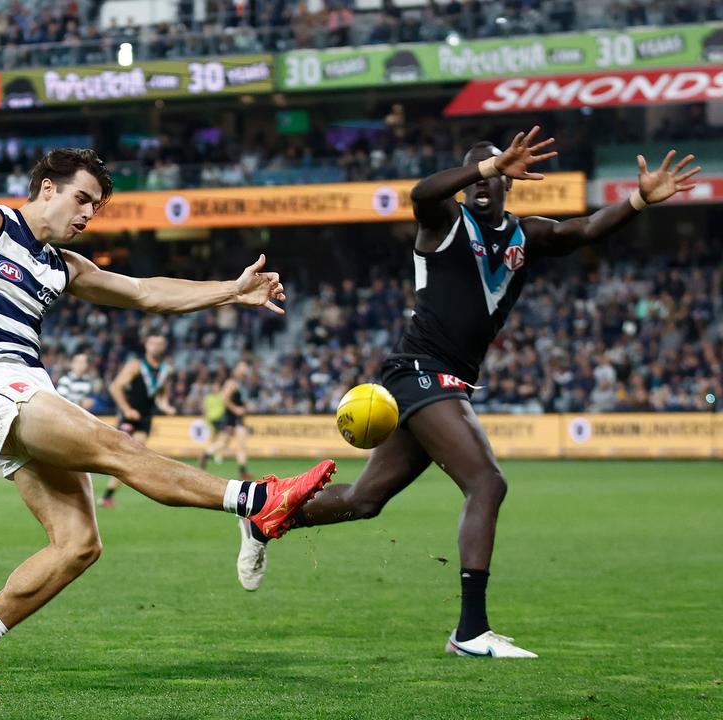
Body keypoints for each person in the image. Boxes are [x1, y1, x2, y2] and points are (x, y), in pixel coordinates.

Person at [0, 148, 336, 700]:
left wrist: (232, 290)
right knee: (114, 445)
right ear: (47, 189)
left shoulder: (62, 265)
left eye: (95, 207)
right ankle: (254, 501)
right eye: (81, 199)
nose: (87, 215)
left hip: (23, 387)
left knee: (78, 544)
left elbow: (145, 292)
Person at [237, 128, 700, 658]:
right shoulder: (445, 223)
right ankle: (471, 632)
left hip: (442, 380)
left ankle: (266, 519)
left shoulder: (526, 235)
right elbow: (421, 195)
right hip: (420, 371)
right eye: (479, 172)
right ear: (469, 182)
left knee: (365, 501)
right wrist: (487, 164)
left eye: (499, 172)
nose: (486, 179)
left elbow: (585, 230)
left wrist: (639, 199)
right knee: (487, 483)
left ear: (511, 184)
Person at [98, 331, 174, 508]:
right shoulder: (136, 365)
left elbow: (161, 395)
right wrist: (127, 409)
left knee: (133, 458)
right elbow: (115, 387)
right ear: (146, 345)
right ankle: (107, 494)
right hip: (129, 417)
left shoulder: (165, 370)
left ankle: (108, 496)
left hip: (146, 418)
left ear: (164, 347)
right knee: (126, 456)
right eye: (152, 342)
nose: (156, 346)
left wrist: (165, 406)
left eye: (159, 343)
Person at [199, 359, 253, 481]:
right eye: (243, 367)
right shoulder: (232, 383)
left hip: (234, 418)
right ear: (237, 369)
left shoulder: (240, 383)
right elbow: (224, 399)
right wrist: (236, 409)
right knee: (240, 445)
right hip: (233, 418)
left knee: (225, 443)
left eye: (246, 367)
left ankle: (206, 454)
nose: (245, 370)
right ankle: (242, 471)